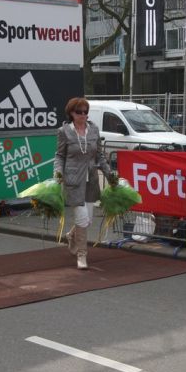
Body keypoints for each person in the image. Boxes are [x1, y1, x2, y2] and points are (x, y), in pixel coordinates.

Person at [54, 97, 117, 270]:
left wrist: (109, 174)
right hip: (73, 180)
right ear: (71, 113)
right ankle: (82, 255)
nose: (83, 115)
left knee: (87, 220)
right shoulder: (64, 131)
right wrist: (58, 173)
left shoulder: (94, 130)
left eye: (85, 112)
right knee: (82, 219)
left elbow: (100, 156)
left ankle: (71, 235)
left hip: (91, 181)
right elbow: (60, 156)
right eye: (79, 112)